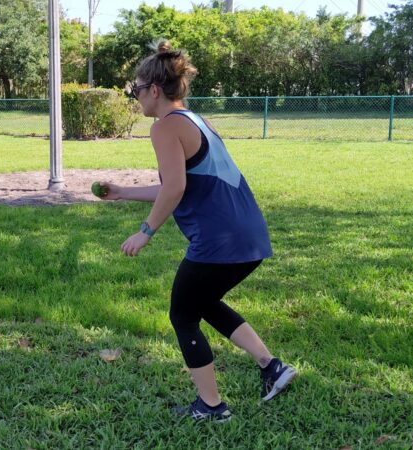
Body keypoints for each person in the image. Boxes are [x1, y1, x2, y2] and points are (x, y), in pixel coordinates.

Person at [97, 40, 297, 422]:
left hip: (219, 239)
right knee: (203, 302)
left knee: (183, 314)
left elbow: (175, 189)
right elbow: (179, 184)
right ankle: (271, 367)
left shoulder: (165, 127)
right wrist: (123, 193)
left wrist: (145, 231)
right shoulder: (195, 119)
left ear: (154, 90)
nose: (135, 97)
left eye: (136, 90)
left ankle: (211, 406)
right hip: (248, 234)